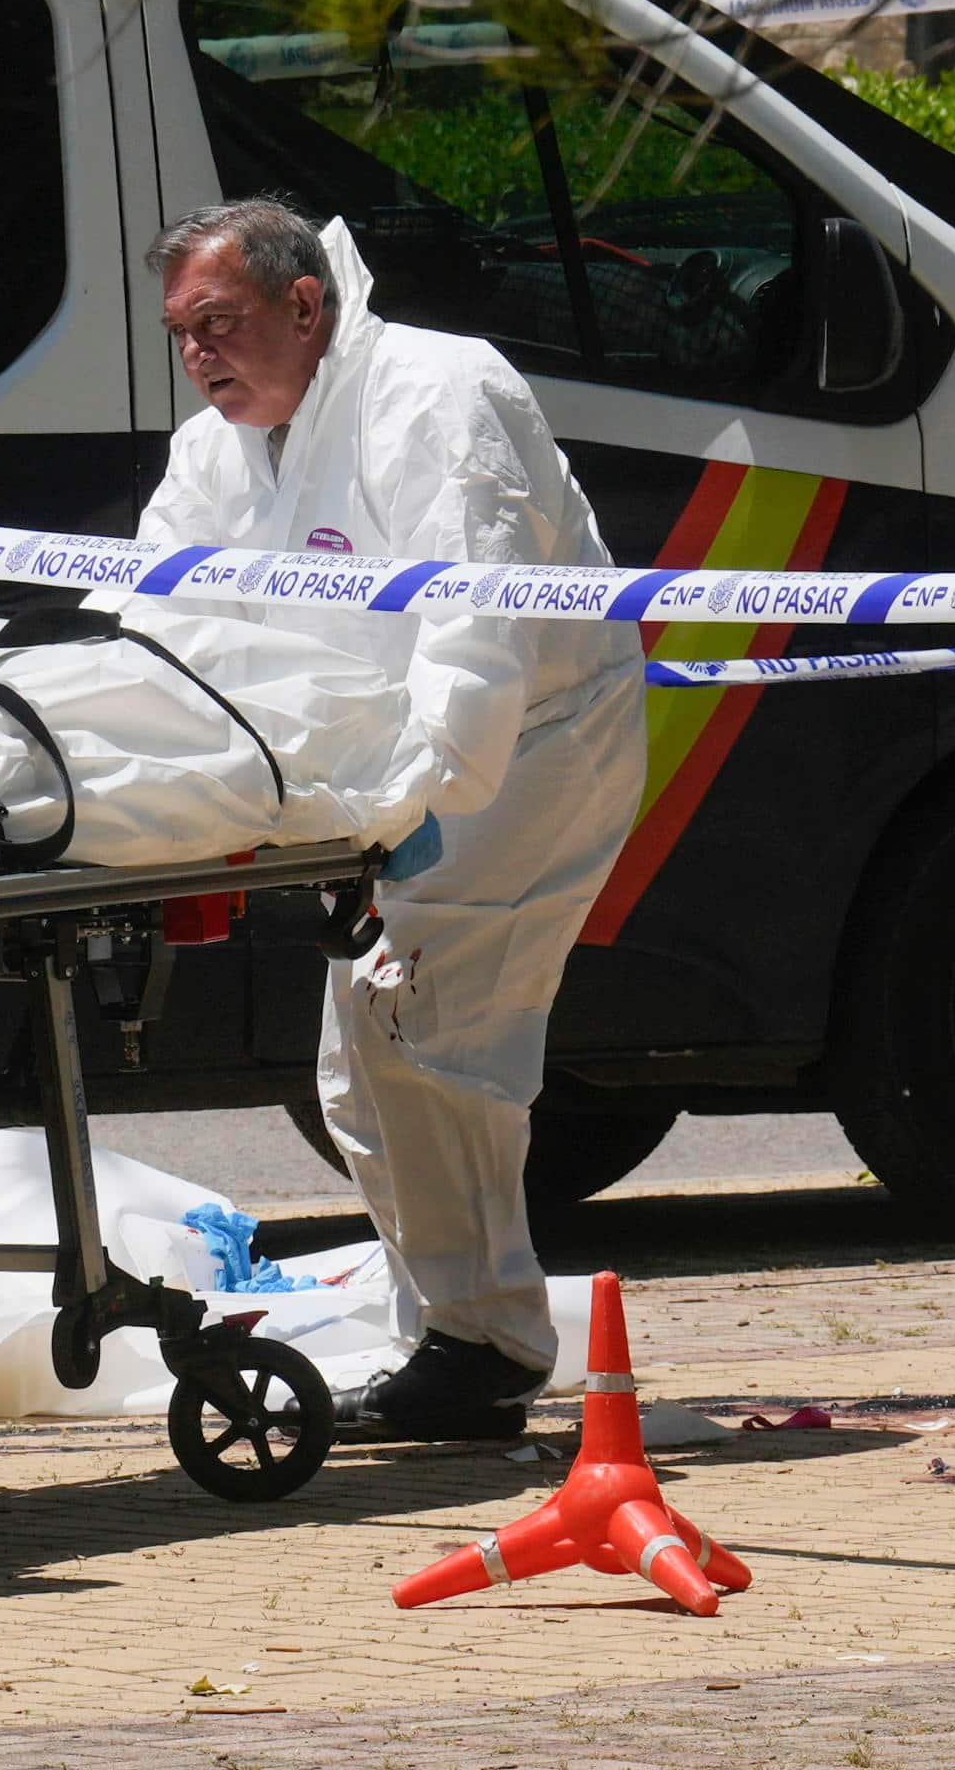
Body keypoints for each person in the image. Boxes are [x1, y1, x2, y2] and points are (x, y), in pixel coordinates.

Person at [137, 198, 645, 1442]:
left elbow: (476, 625)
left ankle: (487, 1345)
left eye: (222, 322)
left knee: (418, 1027)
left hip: (526, 752)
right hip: (385, 784)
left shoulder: (435, 390)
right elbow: (159, 611)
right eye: (182, 332)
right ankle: (454, 1339)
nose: (200, 354)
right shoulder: (220, 449)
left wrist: (408, 810)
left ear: (305, 304)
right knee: (357, 1073)